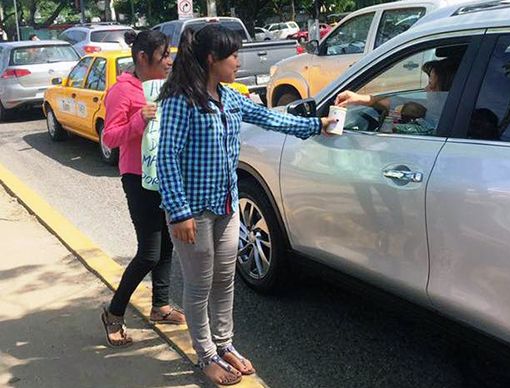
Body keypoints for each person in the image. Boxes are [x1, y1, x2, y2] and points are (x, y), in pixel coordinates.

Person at [157, 25, 335, 386]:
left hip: (226, 206)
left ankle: (224, 345)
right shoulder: (181, 100)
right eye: (233, 56)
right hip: (192, 213)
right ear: (212, 59)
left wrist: (318, 123)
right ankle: (205, 354)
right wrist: (179, 211)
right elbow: (166, 157)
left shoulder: (231, 98)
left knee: (225, 280)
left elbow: (273, 118)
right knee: (199, 284)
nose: (239, 62)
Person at [100, 30, 185, 348]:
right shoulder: (122, 91)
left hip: (163, 175)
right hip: (137, 178)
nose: (169, 61)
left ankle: (160, 306)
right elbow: (109, 138)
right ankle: (114, 312)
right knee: (148, 252)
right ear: (142, 58)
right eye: (163, 56)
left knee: (166, 246)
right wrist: (138, 121)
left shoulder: (163, 85)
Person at [335, 58, 459, 134]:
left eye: (431, 86)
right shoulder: (442, 112)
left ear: (445, 93)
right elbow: (397, 100)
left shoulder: (428, 128)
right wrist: (362, 99)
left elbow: (386, 133)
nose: (425, 89)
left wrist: (392, 116)